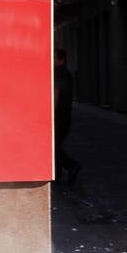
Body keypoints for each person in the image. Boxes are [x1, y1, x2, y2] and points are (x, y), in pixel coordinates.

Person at [53, 48, 80, 186]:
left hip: (57, 117)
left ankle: (69, 167)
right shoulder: (68, 75)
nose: (52, 60)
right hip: (66, 117)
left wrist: (51, 111)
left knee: (54, 146)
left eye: (54, 57)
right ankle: (65, 170)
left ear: (61, 59)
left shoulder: (57, 73)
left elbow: (56, 93)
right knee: (55, 146)